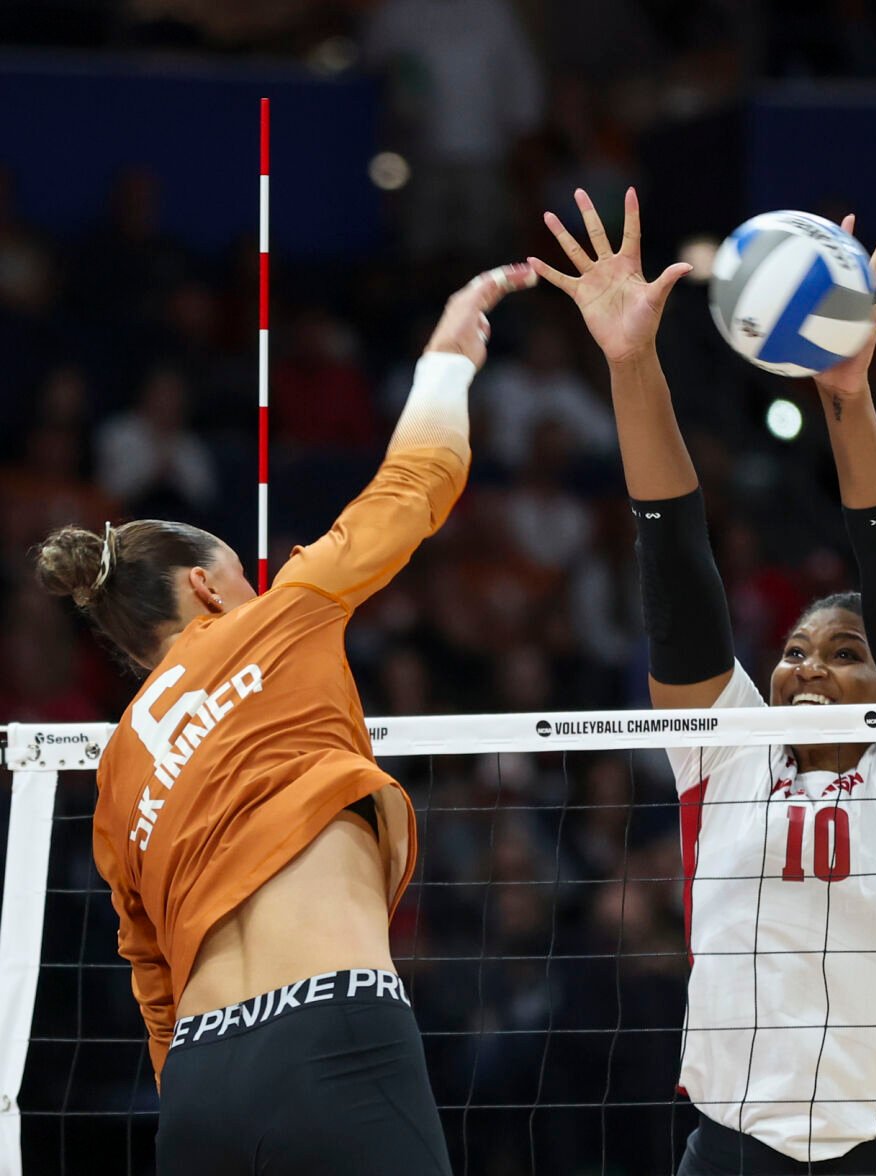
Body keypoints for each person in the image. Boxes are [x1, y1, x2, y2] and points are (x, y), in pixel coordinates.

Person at [528, 188, 876, 1175]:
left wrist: (847, 400)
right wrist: (630, 363)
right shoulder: (728, 752)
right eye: (796, 649)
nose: (806, 667)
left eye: (846, 655)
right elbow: (674, 561)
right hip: (733, 1150)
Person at [33, 262, 537, 1174]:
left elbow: (152, 982)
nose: (254, 584)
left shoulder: (117, 774)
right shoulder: (277, 617)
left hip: (197, 1085)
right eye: (239, 571)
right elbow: (417, 481)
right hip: (332, 1036)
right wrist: (445, 360)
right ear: (204, 586)